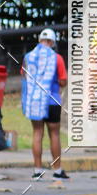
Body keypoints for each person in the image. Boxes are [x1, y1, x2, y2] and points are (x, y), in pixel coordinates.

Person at [21, 28, 69, 181]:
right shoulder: (57, 58)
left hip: (35, 100)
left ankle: (37, 171)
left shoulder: (28, 57)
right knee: (54, 134)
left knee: (37, 133)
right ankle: (57, 170)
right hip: (52, 100)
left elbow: (23, 75)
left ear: (40, 40)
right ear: (53, 42)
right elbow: (63, 81)